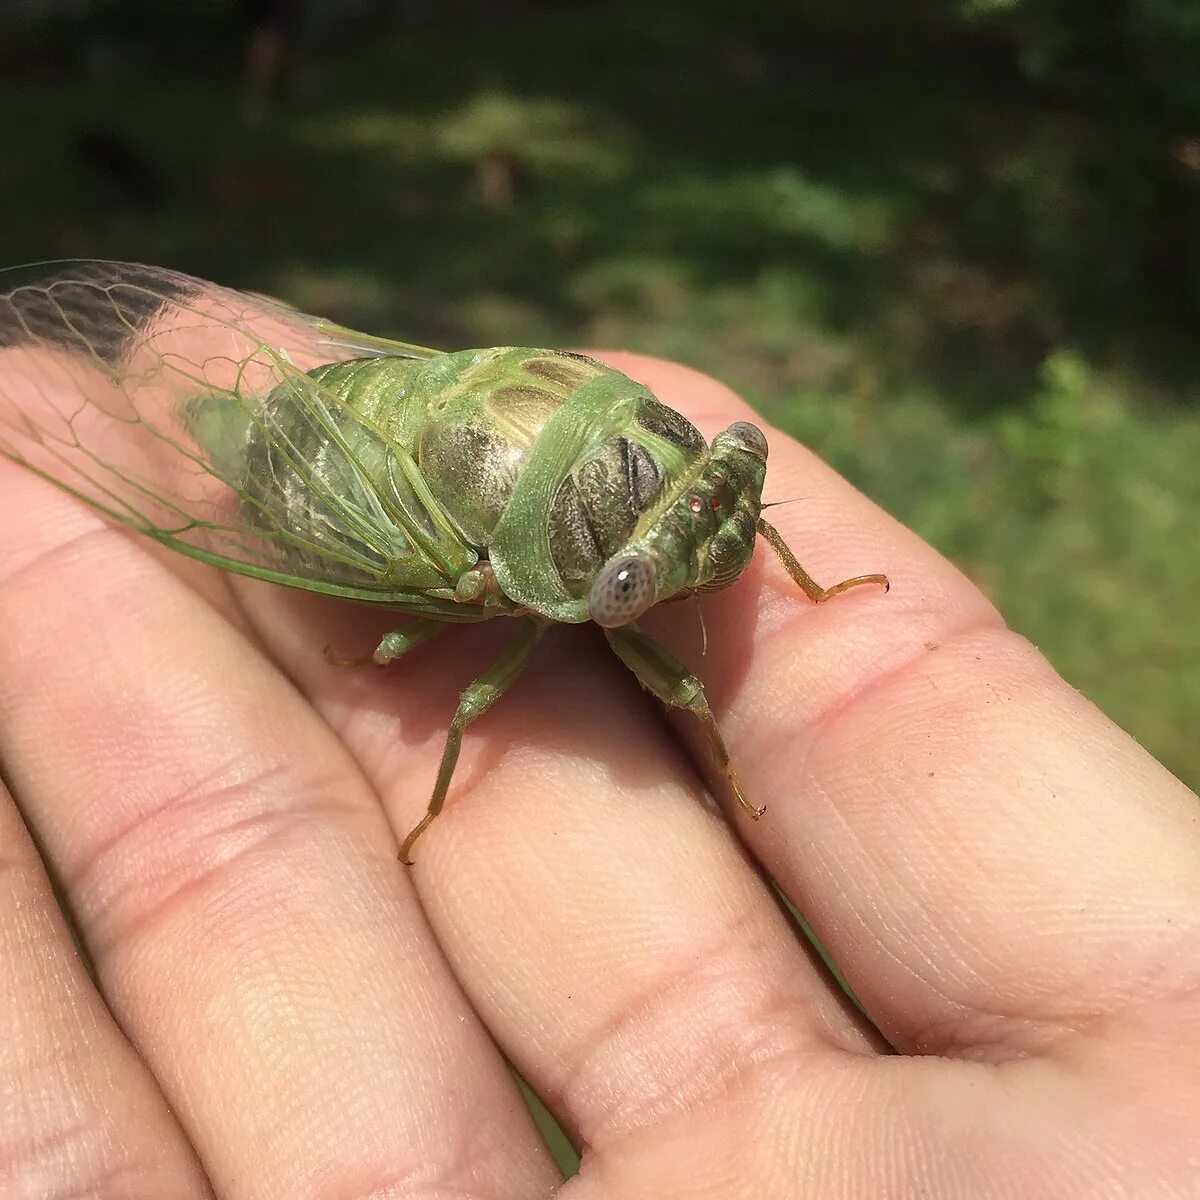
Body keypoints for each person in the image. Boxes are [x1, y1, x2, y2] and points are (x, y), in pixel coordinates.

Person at [0, 354, 1196, 1197]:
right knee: (450, 675)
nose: (710, 554)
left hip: (399, 391)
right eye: (638, 585)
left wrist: (779, 566)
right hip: (336, 475)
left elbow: (719, 505)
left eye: (727, 493)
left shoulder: (690, 492)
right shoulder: (497, 577)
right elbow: (480, 674)